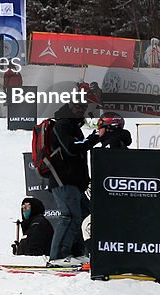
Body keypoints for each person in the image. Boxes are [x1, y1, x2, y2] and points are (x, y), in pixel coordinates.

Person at [46, 101, 102, 266]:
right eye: (77, 107)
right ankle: (57, 257)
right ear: (69, 107)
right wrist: (94, 138)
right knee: (69, 216)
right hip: (62, 179)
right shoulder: (62, 124)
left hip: (75, 182)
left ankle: (76, 252)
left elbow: (78, 153)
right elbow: (72, 148)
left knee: (82, 216)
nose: (80, 111)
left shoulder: (74, 127)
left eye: (83, 108)